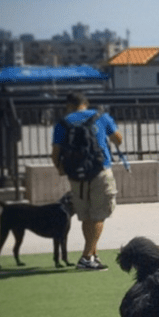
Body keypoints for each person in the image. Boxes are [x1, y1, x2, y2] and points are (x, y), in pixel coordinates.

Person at [51, 92, 123, 271]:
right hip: (100, 171)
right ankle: (86, 257)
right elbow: (118, 140)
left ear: (68, 106)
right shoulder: (101, 117)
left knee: (86, 216)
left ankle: (93, 255)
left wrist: (62, 170)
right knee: (99, 215)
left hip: (76, 175)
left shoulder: (62, 123)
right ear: (86, 104)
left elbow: (55, 153)